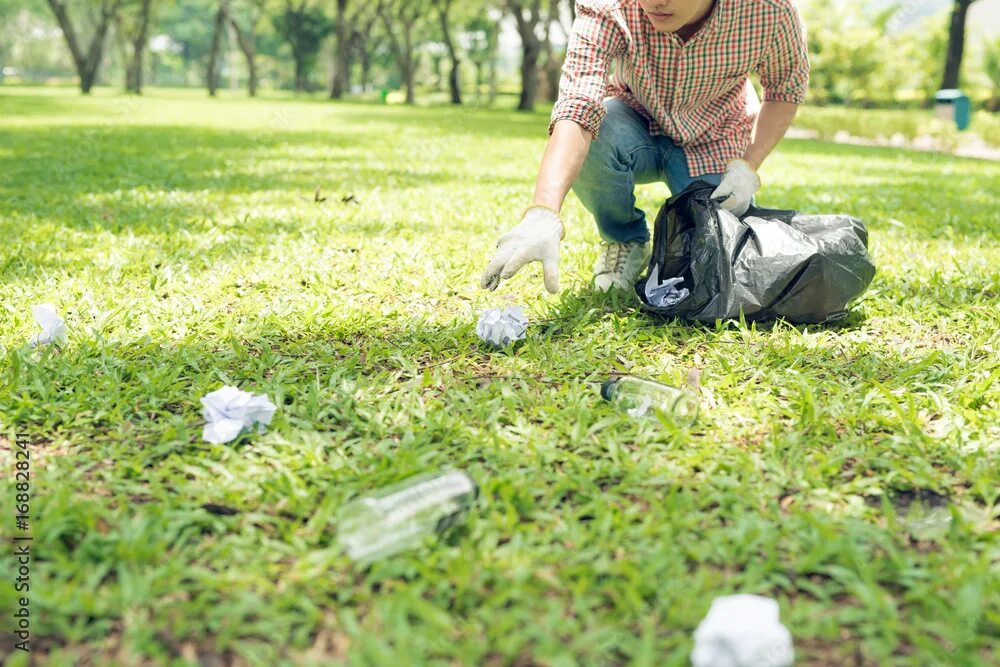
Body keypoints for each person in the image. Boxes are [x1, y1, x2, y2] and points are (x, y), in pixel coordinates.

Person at [481, 0, 810, 294]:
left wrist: (748, 165)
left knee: (709, 260)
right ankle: (624, 240)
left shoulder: (769, 10)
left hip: (716, 136)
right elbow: (578, 105)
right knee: (599, 128)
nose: (657, 2)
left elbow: (785, 89)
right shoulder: (608, 6)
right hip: (634, 123)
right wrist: (543, 212)